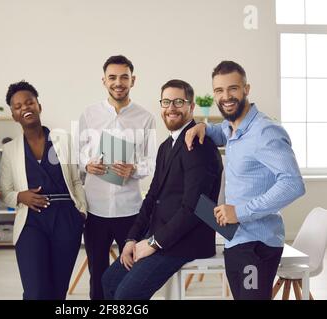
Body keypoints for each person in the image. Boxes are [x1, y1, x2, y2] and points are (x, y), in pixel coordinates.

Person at [185, 61, 306, 300]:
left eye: (233, 89)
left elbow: (293, 183)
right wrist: (202, 127)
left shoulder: (265, 132)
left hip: (256, 245)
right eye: (219, 91)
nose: (226, 96)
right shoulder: (233, 128)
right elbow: (221, 132)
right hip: (236, 240)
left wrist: (240, 212)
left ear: (246, 89)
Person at [101, 79, 223, 300]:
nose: (171, 108)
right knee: (108, 280)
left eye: (178, 102)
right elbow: (152, 197)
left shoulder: (199, 145)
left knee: (126, 295)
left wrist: (153, 243)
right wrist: (132, 239)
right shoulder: (166, 146)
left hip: (186, 241)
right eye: (166, 102)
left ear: (191, 106)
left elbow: (194, 207)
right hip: (161, 235)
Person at [78, 55, 157, 299]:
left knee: (131, 274)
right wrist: (87, 164)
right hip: (95, 210)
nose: (118, 82)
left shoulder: (146, 118)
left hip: (130, 210)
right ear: (104, 81)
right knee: (97, 273)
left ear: (133, 80)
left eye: (124, 77)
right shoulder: (89, 114)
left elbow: (152, 162)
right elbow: (78, 155)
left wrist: (134, 169)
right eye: (112, 77)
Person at [0, 80, 87, 300]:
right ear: (13, 115)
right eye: (18, 106)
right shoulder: (10, 150)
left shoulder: (63, 140)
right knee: (35, 291)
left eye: (29, 102)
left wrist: (81, 212)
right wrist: (20, 196)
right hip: (31, 222)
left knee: (58, 292)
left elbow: (76, 180)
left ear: (39, 105)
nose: (25, 108)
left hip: (66, 219)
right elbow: (4, 191)